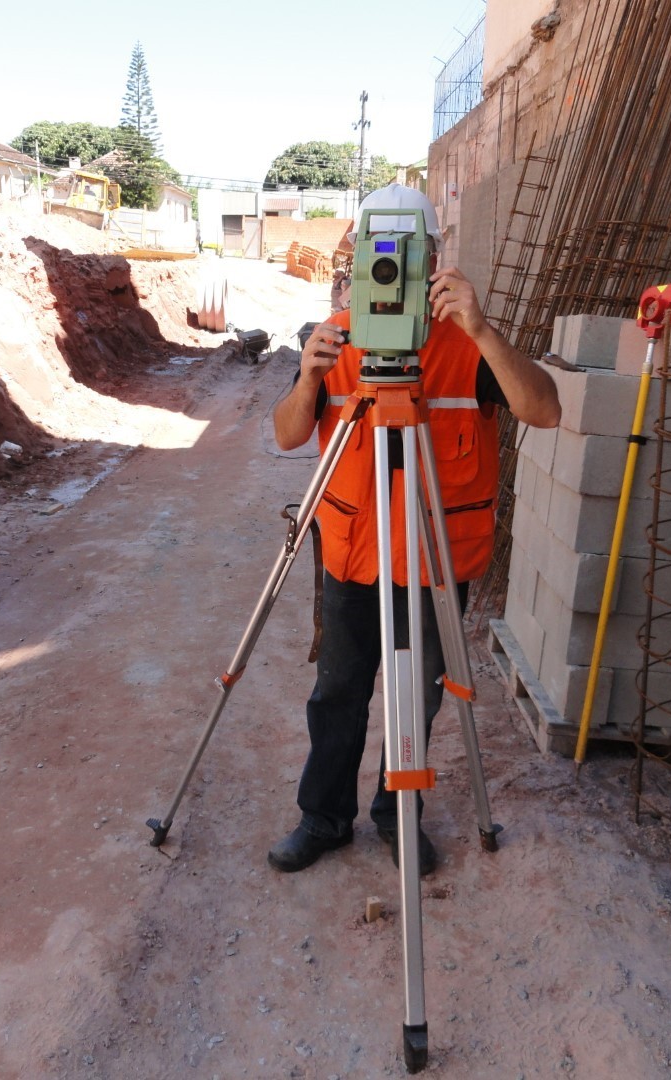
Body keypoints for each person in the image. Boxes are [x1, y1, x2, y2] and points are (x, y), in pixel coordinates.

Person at [267, 184, 562, 875]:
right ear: (361, 251)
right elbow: (285, 437)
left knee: (418, 700)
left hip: (434, 565)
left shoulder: (467, 345)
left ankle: (398, 814)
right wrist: (309, 380)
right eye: (380, 251)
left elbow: (545, 411)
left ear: (434, 259)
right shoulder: (334, 336)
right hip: (351, 559)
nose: (391, 268)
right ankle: (323, 818)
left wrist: (485, 331)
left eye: (408, 253)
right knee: (337, 695)